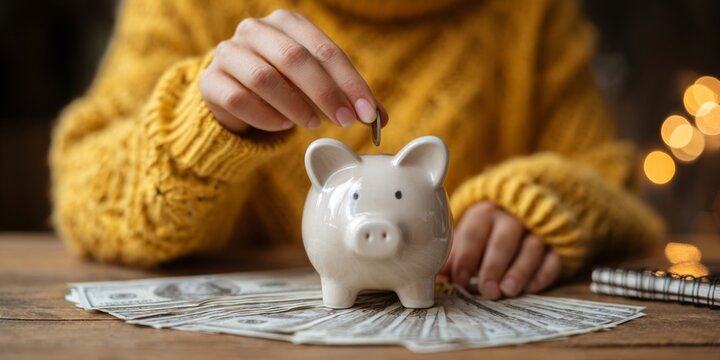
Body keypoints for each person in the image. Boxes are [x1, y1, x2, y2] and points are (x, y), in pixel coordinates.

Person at [50, 0, 663, 300]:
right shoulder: (190, 5)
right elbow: (85, 191)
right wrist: (200, 128)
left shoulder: (531, 13)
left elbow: (609, 180)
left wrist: (550, 201)